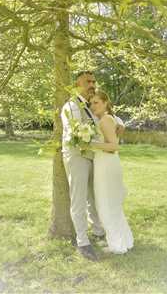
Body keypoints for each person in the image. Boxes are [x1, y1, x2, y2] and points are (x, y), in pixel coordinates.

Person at [61, 71, 124, 261]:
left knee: (94, 196)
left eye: (94, 81)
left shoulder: (91, 105)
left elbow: (104, 119)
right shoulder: (71, 106)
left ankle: (98, 231)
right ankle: (82, 242)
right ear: (77, 84)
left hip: (95, 156)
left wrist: (120, 123)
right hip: (77, 155)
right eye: (88, 81)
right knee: (79, 197)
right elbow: (75, 135)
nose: (92, 84)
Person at [89, 90, 134, 254]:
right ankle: (123, 240)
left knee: (106, 204)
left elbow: (114, 147)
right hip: (106, 164)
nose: (93, 106)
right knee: (111, 203)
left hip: (106, 165)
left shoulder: (106, 120)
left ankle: (117, 245)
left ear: (106, 103)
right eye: (91, 103)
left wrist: (90, 144)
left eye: (96, 103)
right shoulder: (109, 118)